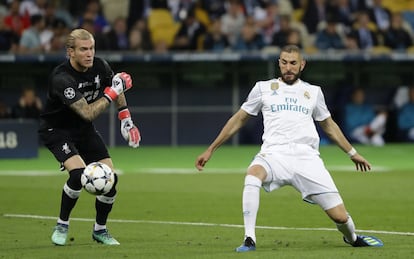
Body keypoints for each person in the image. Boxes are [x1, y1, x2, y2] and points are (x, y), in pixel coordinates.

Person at [195, 45, 383, 252]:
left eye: (293, 63)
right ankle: (249, 238)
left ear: (302, 65)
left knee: (339, 216)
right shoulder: (263, 88)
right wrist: (211, 149)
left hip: (307, 158)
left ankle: (353, 237)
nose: (288, 67)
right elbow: (239, 119)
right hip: (274, 154)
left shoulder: (313, 92)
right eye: (284, 62)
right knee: (253, 174)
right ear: (279, 63)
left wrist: (352, 153)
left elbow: (329, 126)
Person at [38, 28, 141, 246]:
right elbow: (88, 112)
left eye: (91, 48)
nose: (89, 54)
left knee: (111, 180)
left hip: (83, 130)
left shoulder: (100, 66)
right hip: (56, 131)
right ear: (70, 52)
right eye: (83, 49)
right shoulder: (61, 79)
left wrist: (125, 118)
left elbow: (116, 85)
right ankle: (62, 224)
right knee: (77, 175)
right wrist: (111, 94)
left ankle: (100, 230)